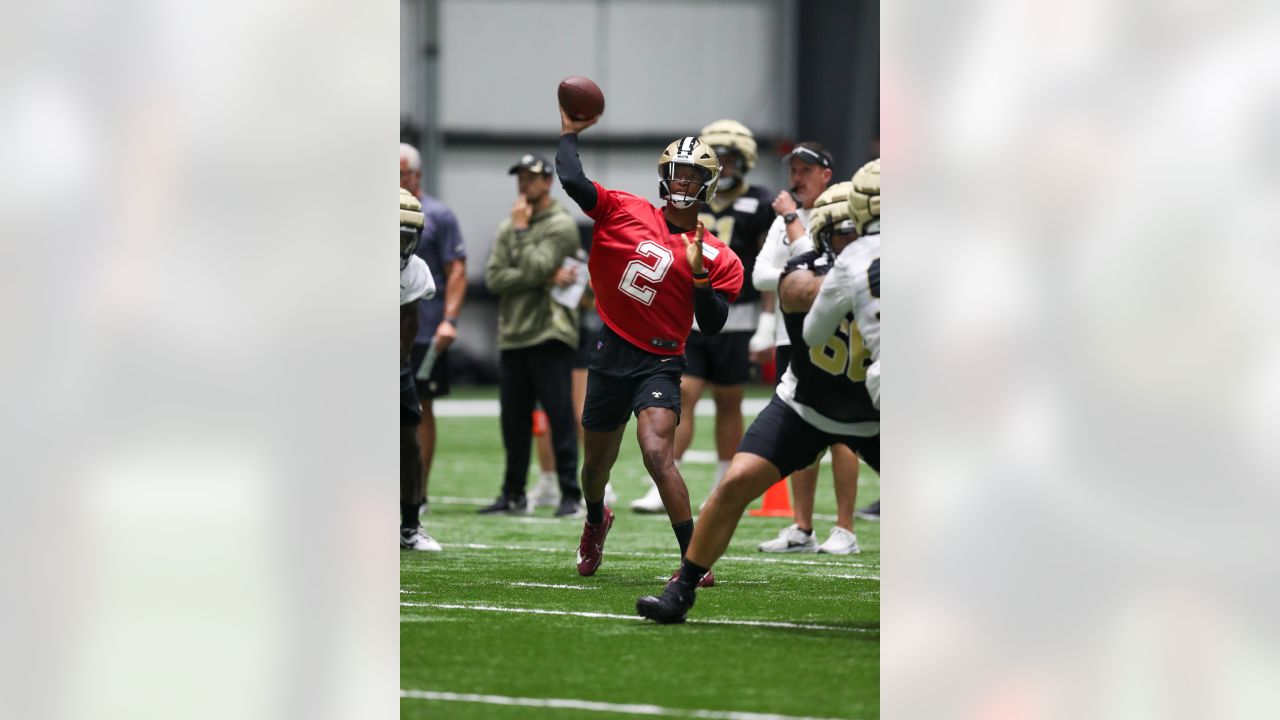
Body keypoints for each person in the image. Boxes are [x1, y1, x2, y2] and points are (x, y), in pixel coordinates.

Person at [636, 158, 881, 623]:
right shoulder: (811, 270)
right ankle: (682, 588)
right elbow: (799, 301)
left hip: (876, 410)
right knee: (734, 483)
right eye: (844, 231)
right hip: (807, 407)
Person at [556, 108, 744, 584]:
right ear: (664, 176)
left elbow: (714, 321)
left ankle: (693, 559)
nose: (682, 181)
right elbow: (572, 179)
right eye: (676, 172)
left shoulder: (719, 254)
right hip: (613, 348)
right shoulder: (624, 208)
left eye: (693, 174)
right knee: (595, 469)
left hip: (661, 359)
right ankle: (597, 519)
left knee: (657, 450)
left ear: (708, 183)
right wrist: (569, 132)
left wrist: (700, 276)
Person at [630, 119, 774, 514]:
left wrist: (767, 322)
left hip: (738, 311)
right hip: (690, 312)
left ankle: (723, 481)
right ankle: (663, 477)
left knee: (730, 400)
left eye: (729, 158)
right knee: (685, 396)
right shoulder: (692, 197)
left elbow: (769, 266)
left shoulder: (760, 203)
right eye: (718, 159)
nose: (723, 167)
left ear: (744, 160)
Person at [749, 144, 861, 555]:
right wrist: (803, 272)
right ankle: (802, 526)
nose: (797, 178)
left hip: (843, 339)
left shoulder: (847, 215)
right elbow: (760, 275)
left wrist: (801, 267)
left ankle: (845, 529)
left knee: (843, 434)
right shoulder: (785, 221)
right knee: (802, 429)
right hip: (790, 337)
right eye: (794, 170)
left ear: (826, 174)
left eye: (806, 170)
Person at [480, 152, 584, 518]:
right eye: (520, 176)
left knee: (560, 418)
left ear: (547, 182)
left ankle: (571, 494)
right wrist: (540, 275)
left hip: (549, 334)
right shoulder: (509, 225)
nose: (524, 183)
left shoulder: (559, 224)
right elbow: (494, 278)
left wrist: (524, 241)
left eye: (531, 176)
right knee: (513, 423)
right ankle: (513, 494)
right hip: (513, 336)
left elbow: (536, 264)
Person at [400, 143, 468, 520]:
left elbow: (457, 269)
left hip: (422, 326)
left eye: (399, 173)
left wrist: (450, 318)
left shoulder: (438, 214)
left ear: (416, 175)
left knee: (419, 411)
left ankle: (418, 494)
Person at [400, 189, 440, 551]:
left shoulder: (414, 271)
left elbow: (407, 324)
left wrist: (398, 365)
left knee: (409, 444)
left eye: (405, 236)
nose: (399, 245)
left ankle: (409, 526)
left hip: (395, 364)